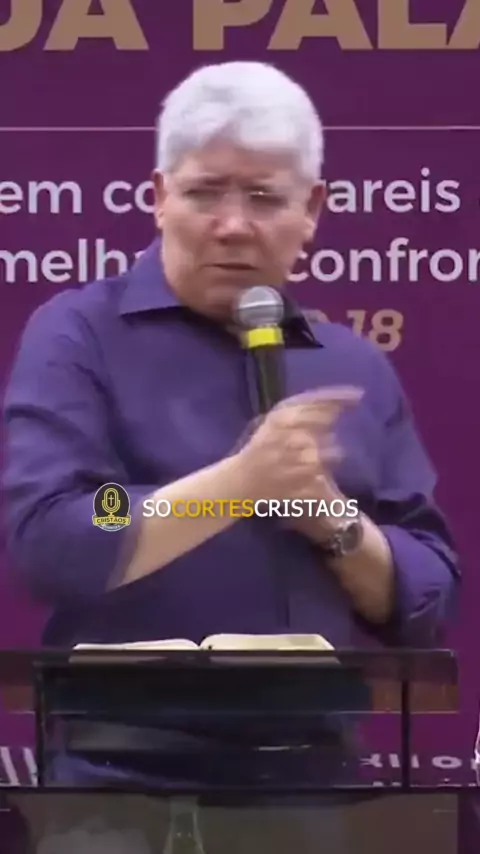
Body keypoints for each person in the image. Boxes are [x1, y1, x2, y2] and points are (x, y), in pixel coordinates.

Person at [2, 61, 459, 852]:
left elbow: (428, 590)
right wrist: (234, 487)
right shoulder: (79, 336)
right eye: (206, 192)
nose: (234, 225)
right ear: (159, 197)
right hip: (117, 793)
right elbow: (59, 530)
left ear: (312, 210)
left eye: (264, 198)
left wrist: (333, 521)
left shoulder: (352, 365)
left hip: (313, 792)